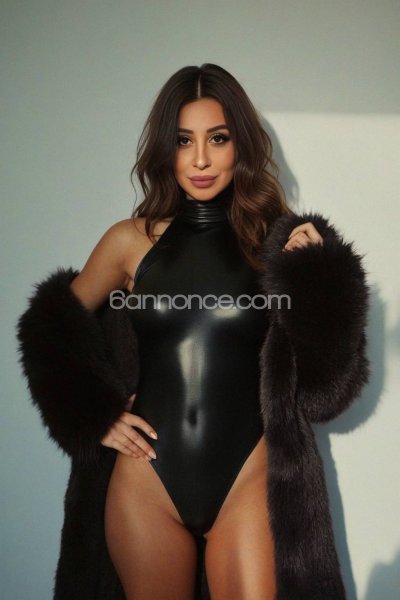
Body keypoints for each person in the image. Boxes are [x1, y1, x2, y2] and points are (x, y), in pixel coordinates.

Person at [16, 64, 370, 600]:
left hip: (248, 479)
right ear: (166, 149)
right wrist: (91, 413)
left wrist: (319, 281)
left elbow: (325, 394)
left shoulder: (277, 246)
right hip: (147, 484)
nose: (200, 159)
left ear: (241, 145)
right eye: (184, 141)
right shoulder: (129, 242)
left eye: (218, 139)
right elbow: (49, 328)